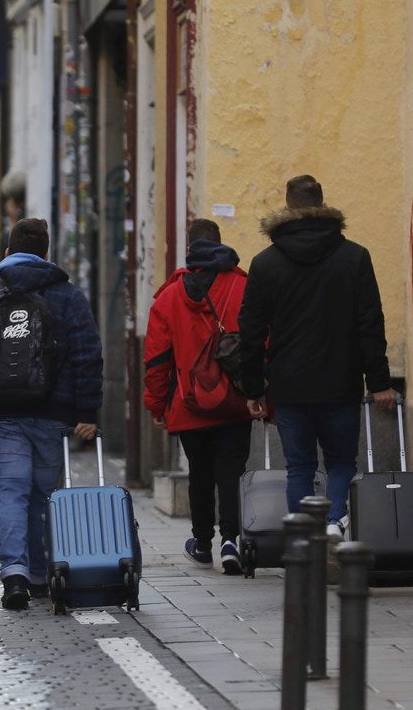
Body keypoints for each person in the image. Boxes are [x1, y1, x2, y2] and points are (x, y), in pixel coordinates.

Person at [0, 217, 103, 610]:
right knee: (42, 494)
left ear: (6, 252)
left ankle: (15, 574)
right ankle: (39, 576)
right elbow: (88, 352)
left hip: (0, 416)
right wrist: (86, 409)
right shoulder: (67, 295)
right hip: (52, 413)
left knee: (9, 491)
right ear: (46, 253)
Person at [237, 175, 395, 544]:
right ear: (322, 205)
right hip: (340, 381)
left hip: (289, 385)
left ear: (288, 206)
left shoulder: (265, 263)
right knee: (341, 463)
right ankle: (333, 523)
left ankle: (304, 539)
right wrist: (380, 381)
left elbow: (250, 331)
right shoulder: (354, 257)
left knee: (300, 468)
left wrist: (253, 386)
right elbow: (370, 323)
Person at [144, 219, 255, 574]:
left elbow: (157, 358)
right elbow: (259, 343)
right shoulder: (240, 285)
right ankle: (230, 541)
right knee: (231, 472)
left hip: (188, 402)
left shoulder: (169, 296)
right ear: (220, 244)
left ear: (189, 248)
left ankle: (202, 542)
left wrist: (156, 404)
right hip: (235, 401)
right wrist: (261, 393)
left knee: (200, 473)